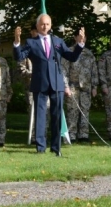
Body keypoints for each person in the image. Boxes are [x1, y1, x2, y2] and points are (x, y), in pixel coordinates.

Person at [13, 14, 85, 156]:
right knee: (40, 116)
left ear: (51, 25)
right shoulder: (31, 42)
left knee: (56, 116)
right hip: (40, 84)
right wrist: (16, 42)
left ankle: (56, 147)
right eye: (42, 24)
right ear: (38, 26)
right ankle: (40, 147)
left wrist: (80, 45)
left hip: (57, 83)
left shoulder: (57, 41)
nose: (44, 27)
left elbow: (71, 57)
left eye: (47, 24)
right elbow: (19, 57)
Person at [62, 30, 98, 142]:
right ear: (75, 37)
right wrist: (65, 86)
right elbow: (64, 71)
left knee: (85, 110)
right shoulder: (69, 51)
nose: (82, 38)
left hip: (86, 87)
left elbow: (94, 71)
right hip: (73, 86)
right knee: (72, 111)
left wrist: (95, 86)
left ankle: (83, 135)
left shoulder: (89, 54)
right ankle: (71, 135)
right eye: (80, 36)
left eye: (84, 36)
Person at [18, 24, 39, 144]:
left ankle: (41, 135)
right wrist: (34, 73)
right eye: (35, 31)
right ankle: (33, 136)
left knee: (44, 111)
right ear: (31, 32)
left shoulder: (44, 47)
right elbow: (21, 70)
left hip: (43, 86)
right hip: (31, 87)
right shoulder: (26, 49)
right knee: (32, 111)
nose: (37, 33)